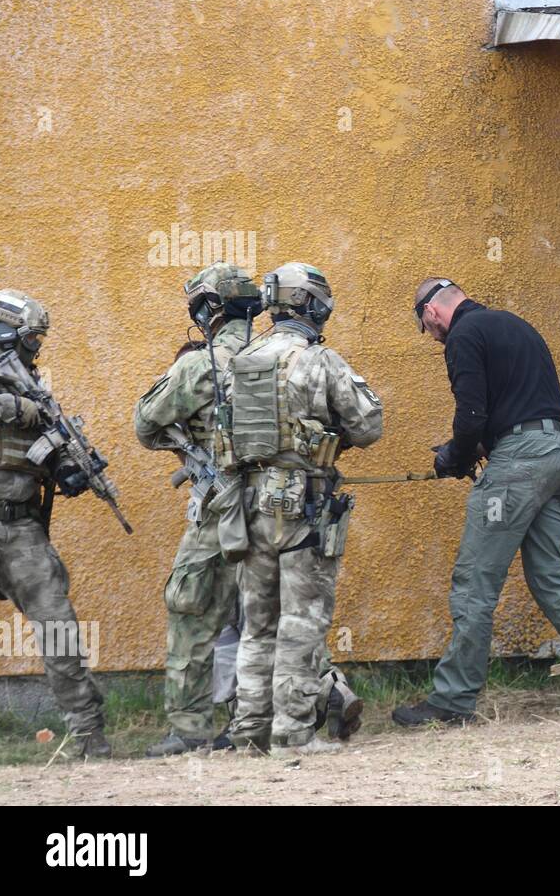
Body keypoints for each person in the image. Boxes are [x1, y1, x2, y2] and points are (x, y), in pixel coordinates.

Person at [135, 264, 363, 756]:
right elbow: (363, 422)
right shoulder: (290, 355)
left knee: (198, 611)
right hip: (286, 502)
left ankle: (207, 728)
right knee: (295, 612)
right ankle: (313, 702)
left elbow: (145, 425)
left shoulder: (207, 365)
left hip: (226, 507)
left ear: (205, 310)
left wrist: (191, 451)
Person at [392, 278, 560, 726]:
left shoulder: (463, 336)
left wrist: (455, 455)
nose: (432, 338)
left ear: (431, 313)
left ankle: (452, 701)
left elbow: (471, 414)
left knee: (475, 582)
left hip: (522, 464)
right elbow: (517, 402)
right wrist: (477, 447)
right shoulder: (514, 323)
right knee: (552, 577)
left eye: (426, 328)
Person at [222, 263, 382, 755]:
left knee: (258, 621)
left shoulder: (241, 360)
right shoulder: (319, 361)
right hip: (302, 505)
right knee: (302, 619)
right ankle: (292, 733)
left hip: (248, 505)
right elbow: (368, 425)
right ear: (310, 304)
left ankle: (249, 731)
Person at [0, 289, 110, 757]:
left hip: (20, 528)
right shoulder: (15, 391)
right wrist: (17, 409)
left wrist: (70, 466)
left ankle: (87, 735)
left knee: (58, 627)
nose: (36, 347)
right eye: (30, 338)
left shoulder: (30, 384)